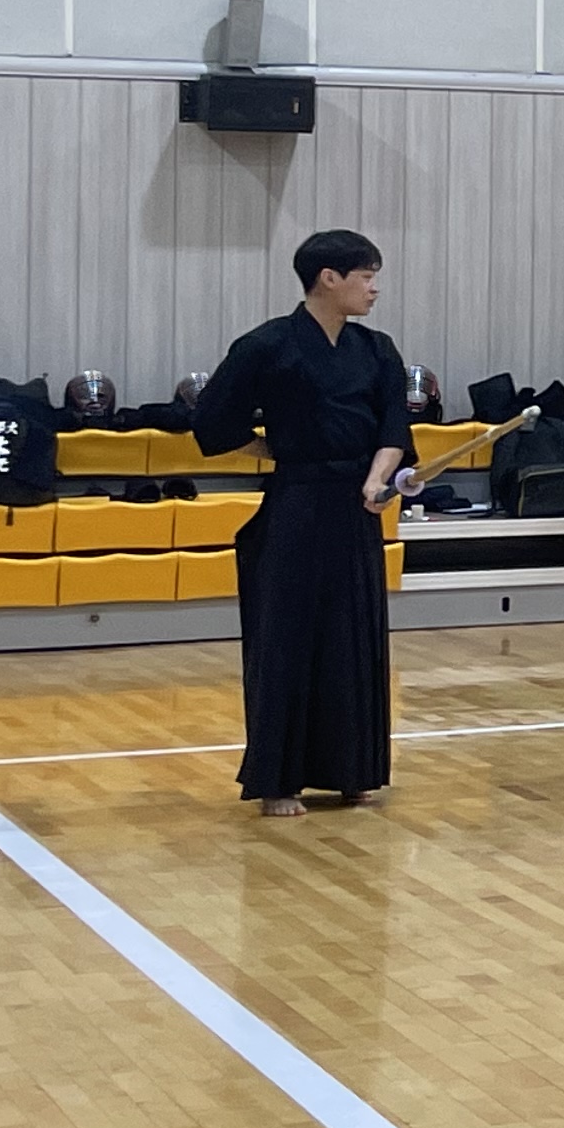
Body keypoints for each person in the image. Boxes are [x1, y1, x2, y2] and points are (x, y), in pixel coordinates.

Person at [192, 229, 411, 819]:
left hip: (357, 508)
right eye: (366, 276)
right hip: (295, 504)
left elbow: (393, 427)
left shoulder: (378, 350)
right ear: (329, 279)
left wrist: (377, 479)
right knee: (286, 640)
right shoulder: (266, 345)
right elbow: (213, 424)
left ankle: (352, 771)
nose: (374, 288)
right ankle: (278, 780)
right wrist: (281, 451)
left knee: (354, 639)